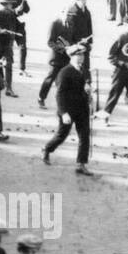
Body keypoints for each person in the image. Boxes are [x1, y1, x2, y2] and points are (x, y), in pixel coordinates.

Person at [41, 44, 92, 174]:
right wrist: (64, 113)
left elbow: (85, 85)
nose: (81, 58)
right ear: (72, 56)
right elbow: (60, 94)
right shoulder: (65, 72)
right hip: (68, 110)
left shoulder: (85, 70)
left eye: (83, 55)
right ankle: (47, 149)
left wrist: (88, 91)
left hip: (82, 109)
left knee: (85, 136)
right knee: (61, 135)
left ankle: (81, 164)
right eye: (78, 55)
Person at [97, 13, 128, 132]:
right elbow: (111, 57)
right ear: (125, 25)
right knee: (113, 95)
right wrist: (124, 64)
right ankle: (104, 118)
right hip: (120, 72)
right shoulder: (120, 38)